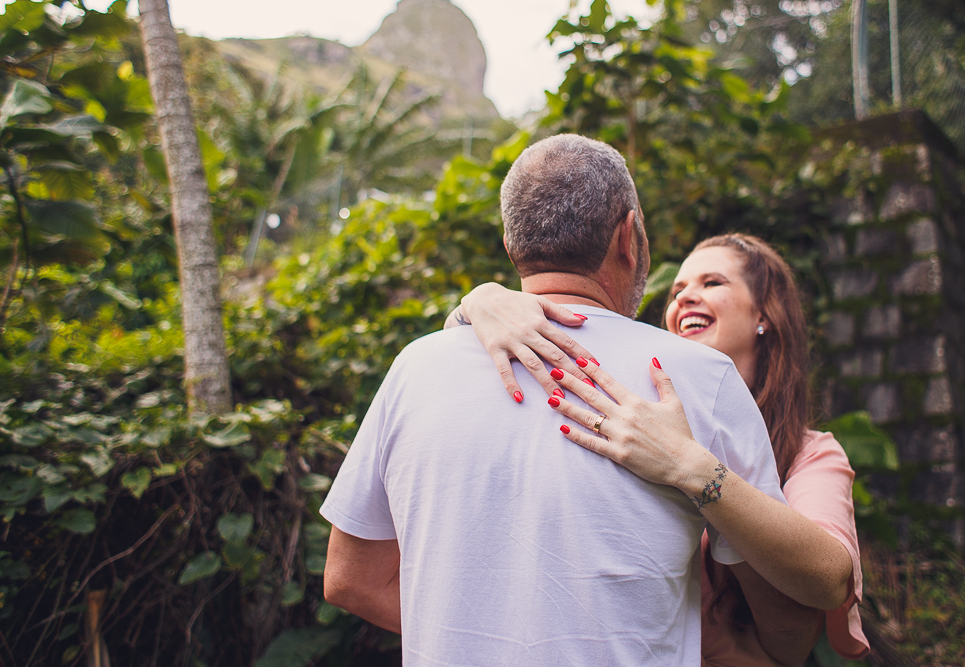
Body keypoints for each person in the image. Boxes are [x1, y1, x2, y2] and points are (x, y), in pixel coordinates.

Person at [321, 135, 836, 666]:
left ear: (510, 244)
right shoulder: (699, 377)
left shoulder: (415, 367)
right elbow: (789, 624)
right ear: (628, 237)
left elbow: (350, 579)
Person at [449, 234, 869, 665]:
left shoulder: (810, 454)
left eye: (712, 283)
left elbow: (829, 582)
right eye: (677, 290)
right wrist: (477, 303)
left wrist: (690, 467)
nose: (685, 297)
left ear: (764, 314)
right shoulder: (629, 414)